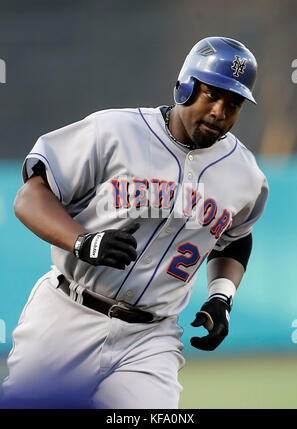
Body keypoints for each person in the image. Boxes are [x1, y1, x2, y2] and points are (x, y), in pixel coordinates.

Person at [1, 36, 268, 409]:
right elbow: (30, 196)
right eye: (211, 94)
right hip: (68, 315)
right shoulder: (113, 131)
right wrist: (83, 241)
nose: (220, 111)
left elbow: (236, 237)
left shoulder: (245, 175)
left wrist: (222, 297)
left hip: (151, 336)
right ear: (185, 87)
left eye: (234, 102)